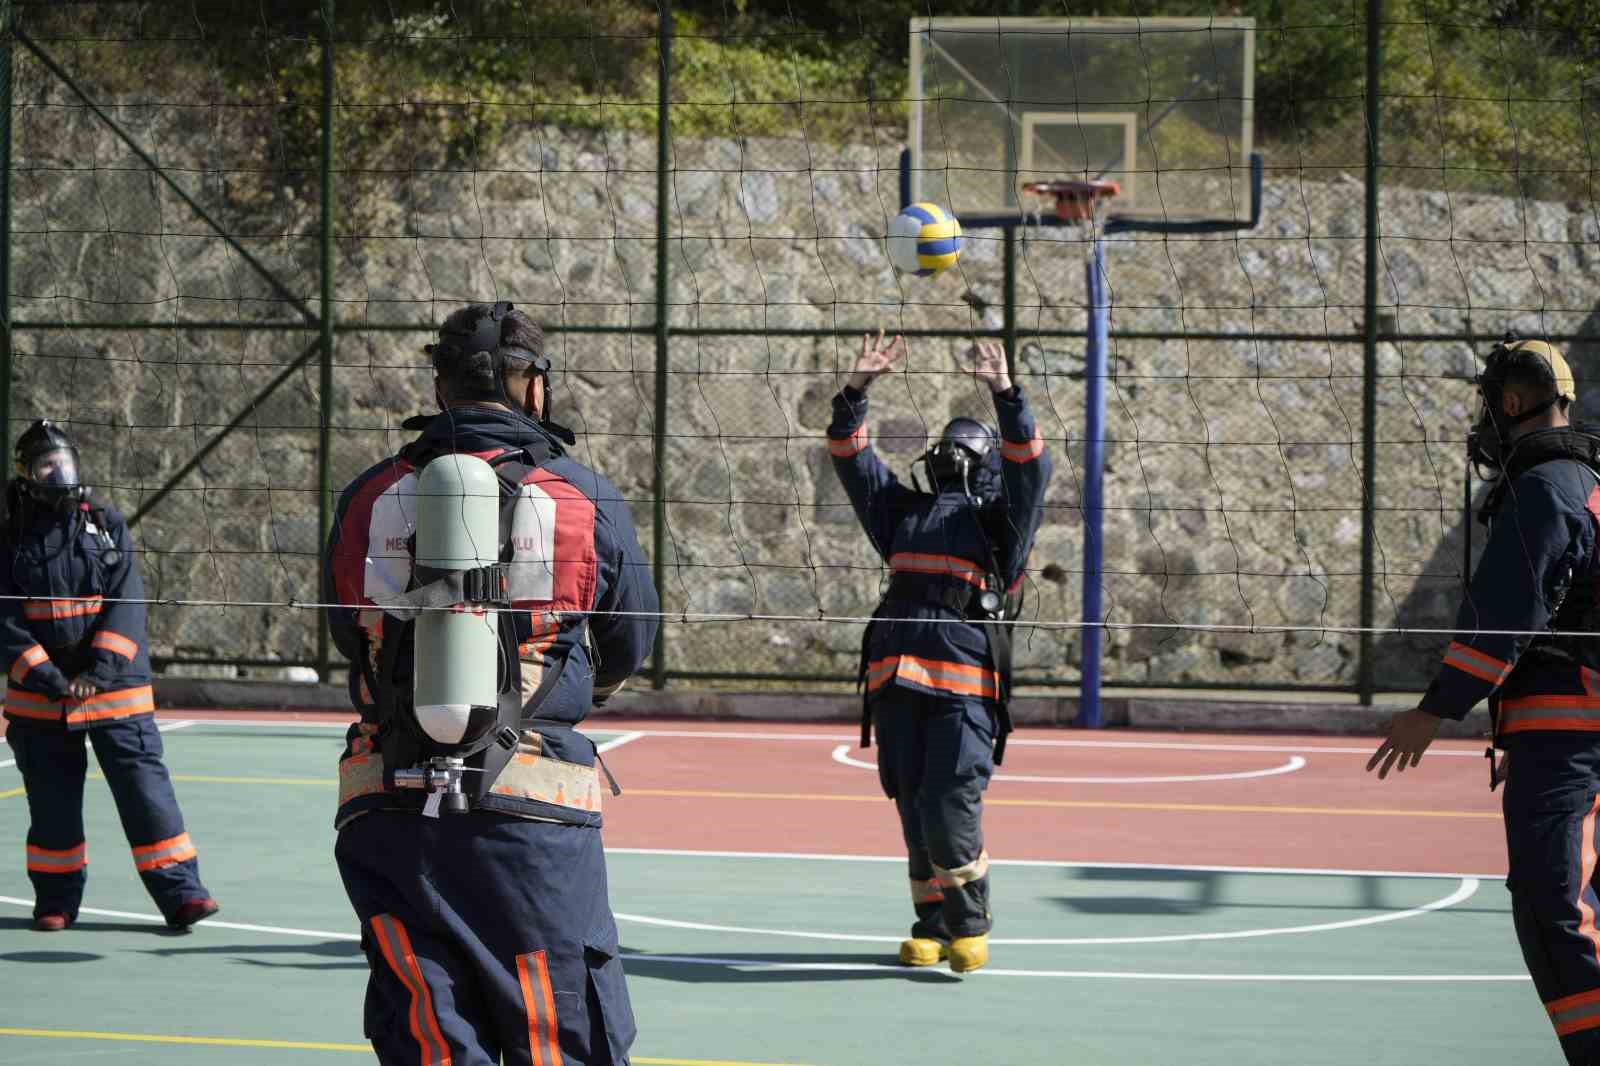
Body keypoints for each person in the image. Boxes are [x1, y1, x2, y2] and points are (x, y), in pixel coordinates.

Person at [324, 302, 658, 1066]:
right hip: (531, 816)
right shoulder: (581, 496)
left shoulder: (368, 495)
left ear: (439, 386)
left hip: (386, 803)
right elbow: (629, 642)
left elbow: (348, 633)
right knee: (557, 1031)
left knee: (430, 1036)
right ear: (533, 386)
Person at [1366, 338, 1600, 1065]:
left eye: (1488, 405)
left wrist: (1437, 707)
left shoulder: (1544, 487)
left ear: (1510, 402)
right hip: (1580, 725)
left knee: (1554, 907)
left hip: (1568, 732)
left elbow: (1507, 609)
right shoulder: (1587, 479)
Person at [827, 331, 1052, 974]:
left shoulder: (1002, 524)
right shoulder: (901, 513)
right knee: (912, 805)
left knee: (950, 802)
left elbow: (1031, 467)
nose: (950, 456)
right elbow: (850, 456)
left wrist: (1005, 392)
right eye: (944, 446)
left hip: (962, 690)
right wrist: (857, 388)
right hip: (896, 680)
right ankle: (930, 924)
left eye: (964, 447)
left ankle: (970, 925)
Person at [0, 419, 219, 932]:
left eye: (65, 461)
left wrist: (100, 671)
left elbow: (127, 604)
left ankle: (183, 895)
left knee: (147, 797)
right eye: (46, 464)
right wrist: (49, 678)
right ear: (26, 475)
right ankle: (56, 902)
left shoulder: (105, 523)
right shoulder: (9, 538)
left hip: (116, 692)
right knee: (52, 809)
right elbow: (4, 621)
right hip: (42, 700)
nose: (59, 471)